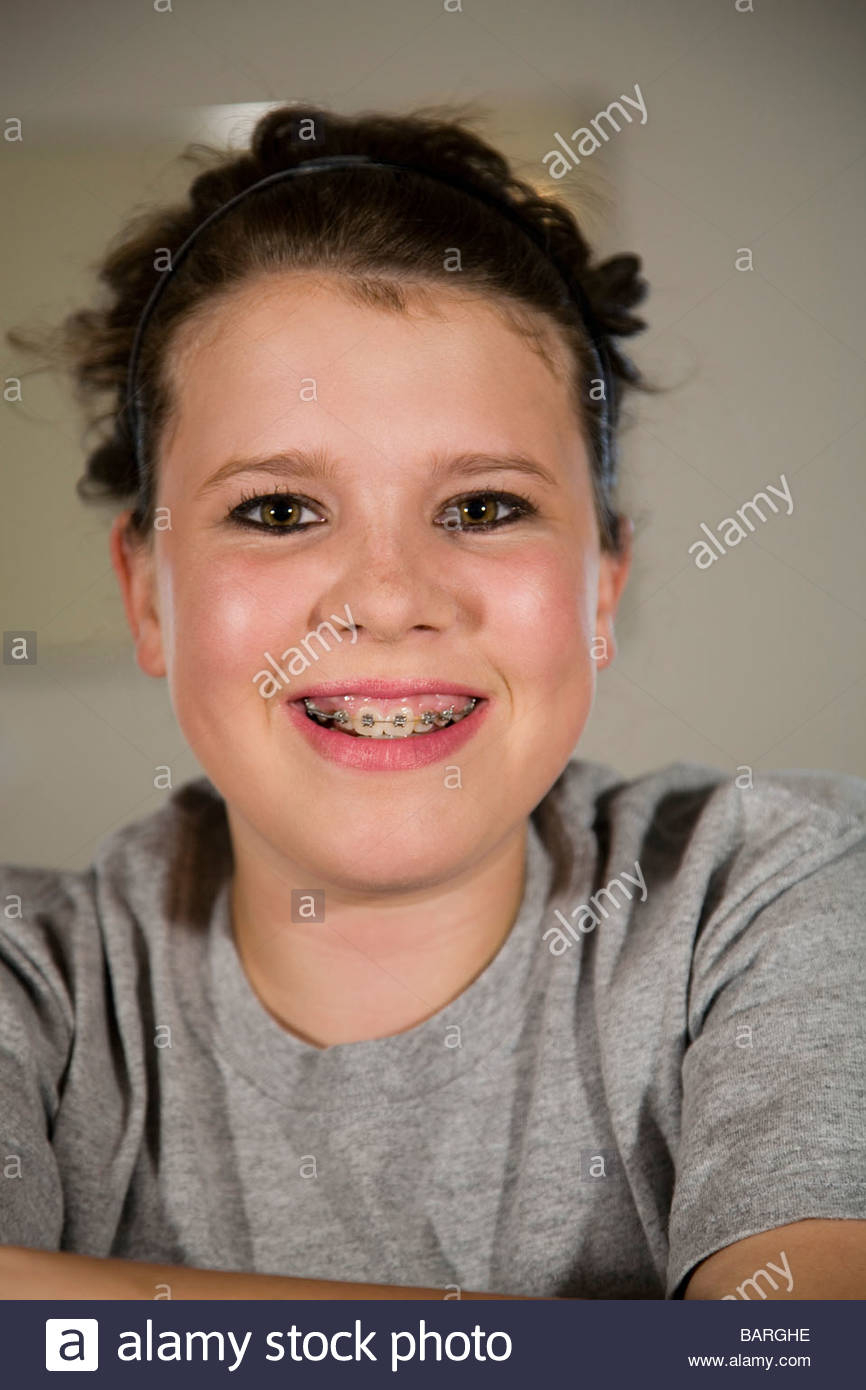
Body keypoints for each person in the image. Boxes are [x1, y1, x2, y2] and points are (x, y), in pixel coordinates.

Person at [1, 102, 864, 1302]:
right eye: (278, 511)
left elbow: (792, 1361)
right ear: (147, 594)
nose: (389, 597)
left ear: (602, 583)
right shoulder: (27, 985)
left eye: (482, 507)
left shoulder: (779, 889)